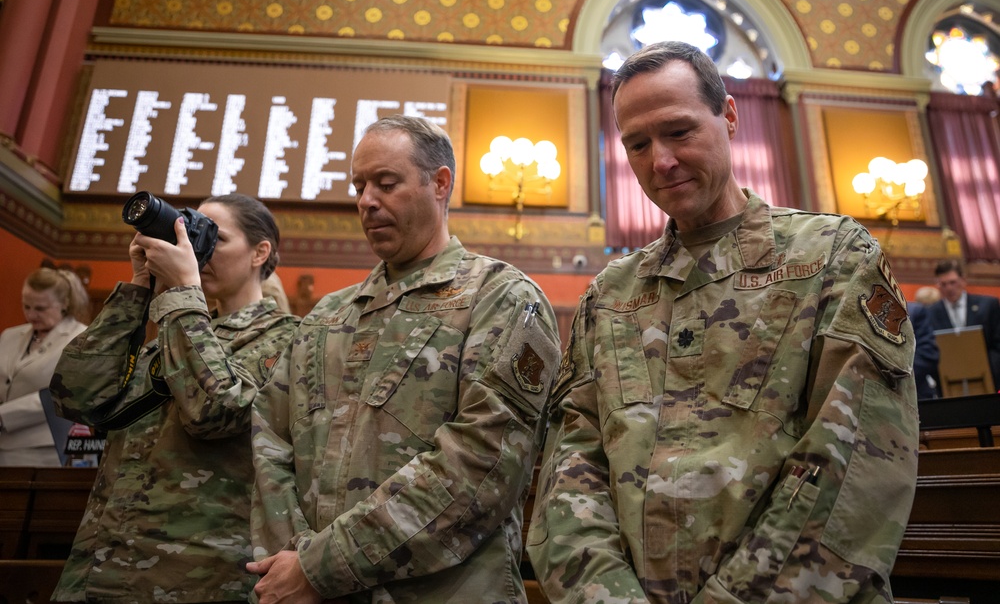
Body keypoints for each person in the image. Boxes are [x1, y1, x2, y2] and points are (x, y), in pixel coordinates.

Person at [526, 42, 920, 604]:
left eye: (679, 132)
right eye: (637, 144)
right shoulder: (609, 296)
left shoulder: (833, 258)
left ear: (729, 116)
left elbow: (856, 466)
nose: (660, 161)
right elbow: (570, 471)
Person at [249, 115, 561, 603]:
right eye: (359, 185)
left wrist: (319, 566)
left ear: (440, 184)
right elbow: (270, 441)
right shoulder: (328, 315)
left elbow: (483, 465)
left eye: (386, 183)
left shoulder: (500, 298)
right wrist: (290, 566)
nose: (366, 200)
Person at [49, 194, 299, 603]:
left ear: (260, 252)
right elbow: (74, 397)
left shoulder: (291, 337)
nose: (198, 251)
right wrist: (139, 288)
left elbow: (214, 412)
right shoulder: (169, 330)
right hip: (99, 564)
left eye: (213, 239)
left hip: (191, 576)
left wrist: (184, 292)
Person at [0, 268, 88, 466]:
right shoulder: (9, 335)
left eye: (40, 308)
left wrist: (4, 416)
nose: (31, 314)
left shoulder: (81, 338)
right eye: (26, 306)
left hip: (41, 448)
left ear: (64, 304)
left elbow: (61, 395)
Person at [927, 259, 1000, 388]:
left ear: (963, 281)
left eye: (952, 282)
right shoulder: (930, 313)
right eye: (943, 284)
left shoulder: (988, 306)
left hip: (987, 379)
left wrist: (989, 369)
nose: (949, 288)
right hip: (949, 382)